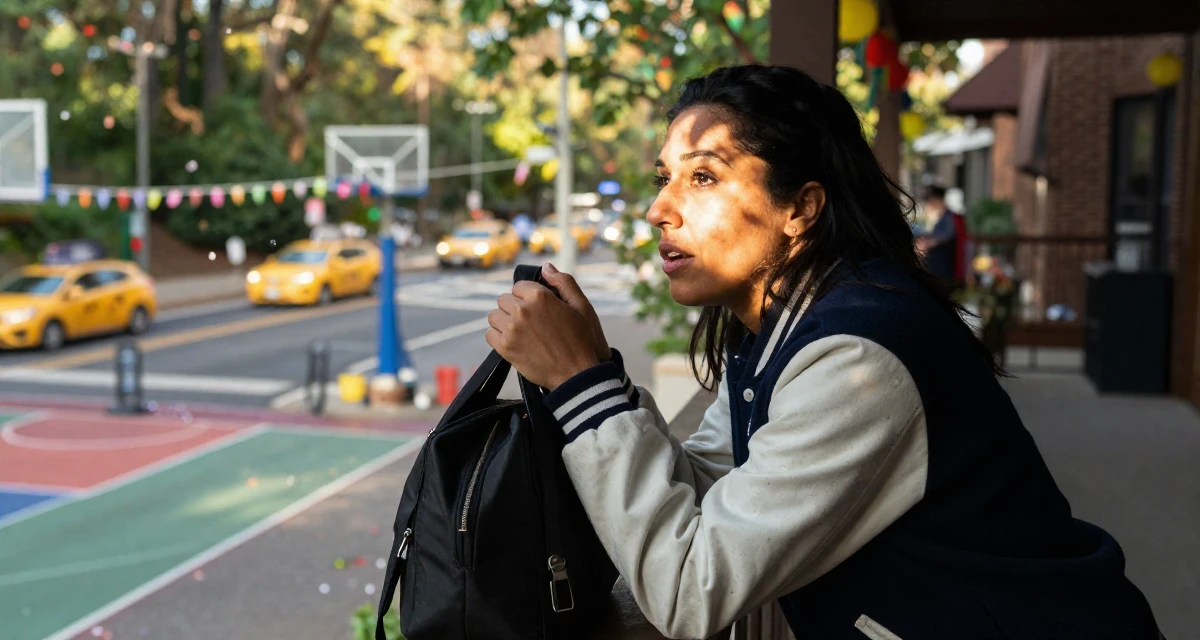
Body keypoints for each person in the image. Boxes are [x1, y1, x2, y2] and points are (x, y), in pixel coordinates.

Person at [485, 65, 1160, 640]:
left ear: (801, 208)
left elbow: (692, 592)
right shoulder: (783, 328)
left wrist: (583, 388)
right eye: (665, 176)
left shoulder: (860, 357)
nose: (660, 208)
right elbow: (717, 487)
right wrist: (599, 374)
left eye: (703, 177)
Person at [914, 184, 964, 285]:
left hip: (944, 261)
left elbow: (945, 236)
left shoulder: (949, 217)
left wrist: (928, 243)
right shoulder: (943, 216)